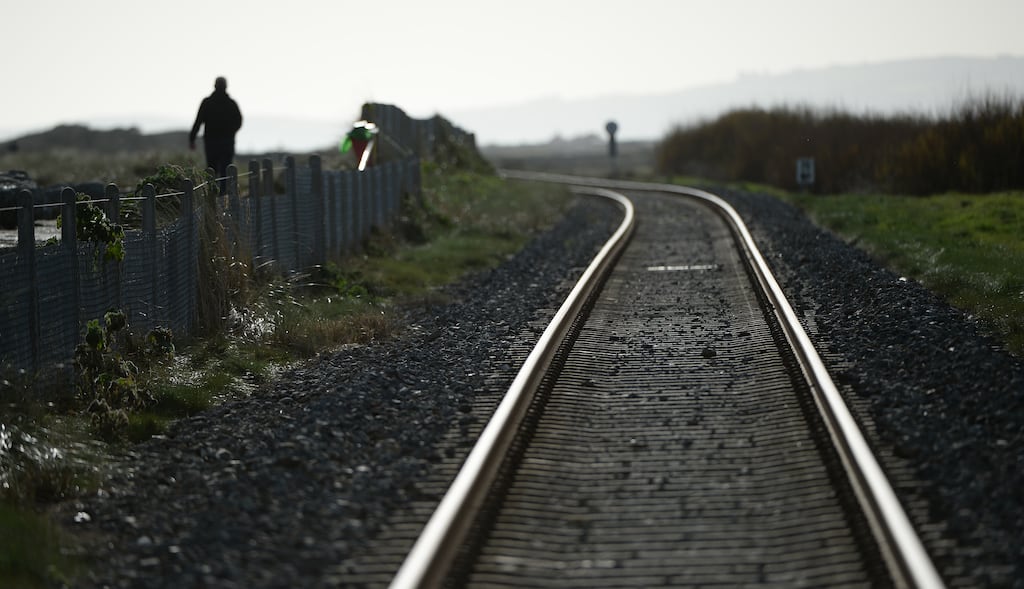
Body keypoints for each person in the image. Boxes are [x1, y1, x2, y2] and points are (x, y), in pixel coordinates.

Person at [189, 77, 242, 191]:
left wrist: (192, 139)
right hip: (226, 142)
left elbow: (198, 121)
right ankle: (224, 196)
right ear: (226, 87)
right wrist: (231, 133)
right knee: (226, 170)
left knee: (212, 170)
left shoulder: (207, 103)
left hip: (211, 142)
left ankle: (213, 196)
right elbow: (239, 121)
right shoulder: (231, 104)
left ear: (214, 86)